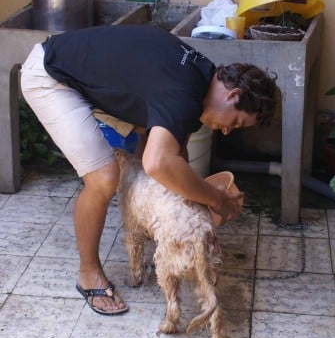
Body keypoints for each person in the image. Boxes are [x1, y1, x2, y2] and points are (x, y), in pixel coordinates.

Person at [20, 24, 278, 315]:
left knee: (159, 146)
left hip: (80, 69)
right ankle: (88, 273)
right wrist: (214, 199)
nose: (229, 131)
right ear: (232, 95)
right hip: (50, 77)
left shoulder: (202, 73)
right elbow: (157, 162)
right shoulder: (183, 93)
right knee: (104, 178)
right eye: (237, 122)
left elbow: (176, 147)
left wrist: (183, 211)